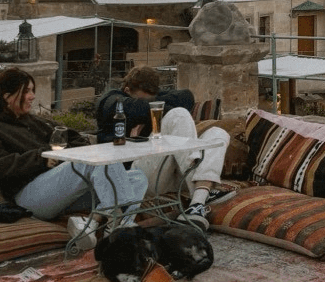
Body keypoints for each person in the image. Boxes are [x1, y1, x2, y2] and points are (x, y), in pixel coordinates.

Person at [0, 67, 148, 251]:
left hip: (62, 194)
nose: (32, 96)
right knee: (94, 161)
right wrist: (42, 158)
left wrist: (64, 154)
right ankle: (121, 228)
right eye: (27, 91)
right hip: (29, 196)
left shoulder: (35, 122)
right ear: (7, 96)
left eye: (33, 90)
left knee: (137, 177)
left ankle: (99, 226)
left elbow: (74, 138)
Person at [96, 66, 229, 231]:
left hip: (169, 172)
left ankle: (197, 202)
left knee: (218, 134)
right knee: (178, 114)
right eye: (143, 100)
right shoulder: (110, 101)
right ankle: (203, 190)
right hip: (137, 175)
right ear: (127, 90)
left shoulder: (157, 98)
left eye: (151, 100)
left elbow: (186, 97)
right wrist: (159, 108)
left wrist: (156, 106)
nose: (147, 104)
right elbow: (134, 108)